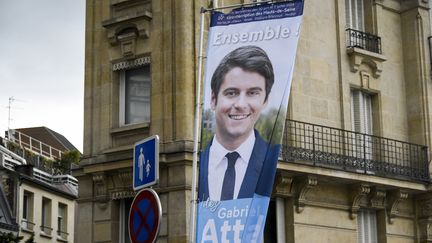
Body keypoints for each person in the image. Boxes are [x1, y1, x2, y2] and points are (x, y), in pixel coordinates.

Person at [198, 45, 280, 202]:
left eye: (252, 93)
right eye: (231, 93)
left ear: (265, 101)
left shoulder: (271, 159)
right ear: (213, 99)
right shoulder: (196, 162)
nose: (241, 104)